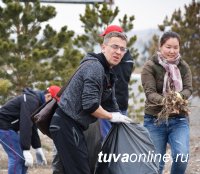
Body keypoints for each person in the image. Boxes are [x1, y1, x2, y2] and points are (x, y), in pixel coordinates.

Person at [49, 31, 133, 174]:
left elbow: (110, 102)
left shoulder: (108, 72)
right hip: (66, 124)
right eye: (114, 47)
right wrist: (112, 117)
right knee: (80, 170)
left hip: (75, 126)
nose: (118, 52)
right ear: (103, 47)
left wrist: (121, 118)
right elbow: (90, 105)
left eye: (122, 49)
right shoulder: (95, 67)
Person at [141, 31, 192, 174]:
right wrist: (167, 101)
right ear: (160, 46)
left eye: (175, 47)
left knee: (181, 157)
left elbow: (188, 89)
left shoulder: (183, 66)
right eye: (168, 47)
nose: (172, 51)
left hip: (179, 119)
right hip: (154, 120)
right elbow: (150, 93)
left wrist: (178, 96)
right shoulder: (149, 66)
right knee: (155, 166)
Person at [0, 85, 60, 174]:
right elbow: (26, 123)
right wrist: (26, 149)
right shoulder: (31, 100)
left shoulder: (37, 102)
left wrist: (37, 147)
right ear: (48, 96)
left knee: (23, 160)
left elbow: (32, 125)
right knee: (17, 158)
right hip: (3, 127)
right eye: (54, 103)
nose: (53, 107)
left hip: (10, 129)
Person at [99, 25, 134, 139]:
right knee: (119, 139)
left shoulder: (113, 59)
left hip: (108, 104)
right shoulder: (129, 58)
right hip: (123, 102)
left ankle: (108, 156)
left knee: (107, 138)